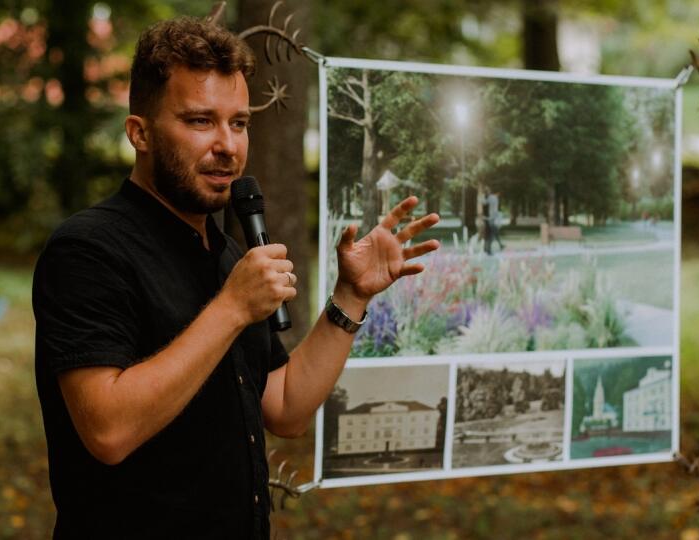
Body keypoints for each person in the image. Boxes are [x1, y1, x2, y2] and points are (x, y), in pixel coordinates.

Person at [32, 16, 440, 539]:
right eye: (201, 121)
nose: (228, 145)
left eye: (240, 123)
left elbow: (285, 407)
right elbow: (108, 429)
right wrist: (230, 308)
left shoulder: (227, 255)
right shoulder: (88, 250)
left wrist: (350, 296)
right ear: (140, 133)